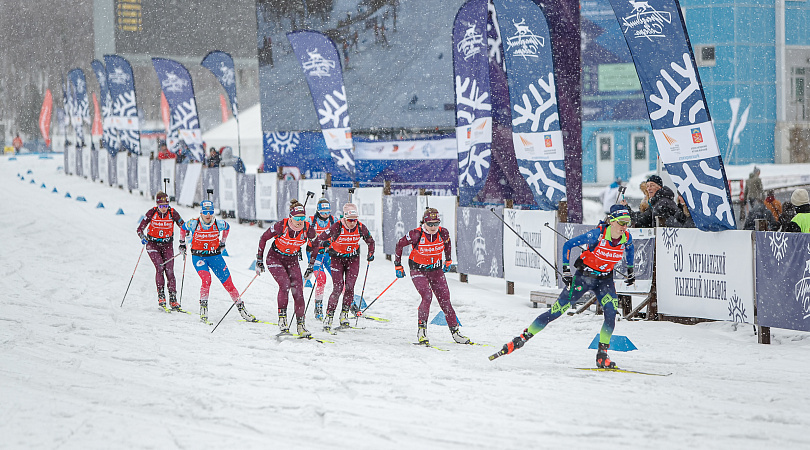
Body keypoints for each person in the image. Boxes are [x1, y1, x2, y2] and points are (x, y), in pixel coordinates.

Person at [495, 205, 635, 368]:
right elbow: (568, 245)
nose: (625, 227)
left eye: (628, 223)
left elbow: (630, 249)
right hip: (583, 278)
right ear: (612, 222)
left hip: (605, 280)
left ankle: (602, 355)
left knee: (611, 313)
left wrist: (630, 269)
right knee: (556, 312)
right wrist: (566, 270)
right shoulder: (597, 235)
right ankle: (521, 339)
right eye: (621, 223)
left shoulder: (627, 237)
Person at [395, 208, 469, 345]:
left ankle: (456, 333)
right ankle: (422, 330)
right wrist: (397, 265)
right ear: (424, 223)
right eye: (430, 224)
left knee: (445, 301)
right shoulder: (416, 234)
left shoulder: (443, 232)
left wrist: (448, 260)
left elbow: (447, 245)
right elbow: (399, 244)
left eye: (436, 223)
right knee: (427, 296)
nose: (433, 227)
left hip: (436, 270)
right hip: (418, 270)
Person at [184, 200, 256, 323]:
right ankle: (203, 309)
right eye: (205, 212)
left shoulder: (218, 223)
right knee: (206, 279)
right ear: (201, 213)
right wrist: (182, 243)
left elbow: (228, 227)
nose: (208, 215)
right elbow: (183, 228)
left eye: (210, 212)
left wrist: (223, 242)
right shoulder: (193, 223)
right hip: (199, 257)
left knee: (229, 284)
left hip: (215, 257)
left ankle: (242, 309)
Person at [307, 203, 375, 333]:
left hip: (353, 259)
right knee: (338, 288)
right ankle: (329, 316)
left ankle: (344, 315)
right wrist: (324, 243)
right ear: (344, 218)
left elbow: (370, 241)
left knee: (349, 287)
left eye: (355, 219)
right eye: (350, 220)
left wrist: (371, 253)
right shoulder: (337, 226)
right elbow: (319, 239)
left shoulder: (360, 227)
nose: (353, 223)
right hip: (337, 259)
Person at [255, 200, 318, 336]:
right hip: (275, 258)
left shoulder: (308, 228)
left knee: (298, 292)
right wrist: (259, 259)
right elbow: (263, 238)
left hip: (292, 260)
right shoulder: (281, 226)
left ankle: (301, 326)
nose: (300, 221)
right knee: (285, 285)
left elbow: (316, 245)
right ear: (290, 217)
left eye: (303, 218)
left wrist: (311, 266)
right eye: (297, 218)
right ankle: (282, 321)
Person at [136, 192, 186, 309]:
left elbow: (183, 226)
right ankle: (161, 295)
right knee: (160, 267)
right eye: (161, 206)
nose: (164, 208)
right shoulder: (152, 212)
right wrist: (143, 237)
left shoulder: (172, 213)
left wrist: (187, 234)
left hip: (167, 244)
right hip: (152, 244)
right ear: (157, 205)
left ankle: (173, 299)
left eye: (166, 205)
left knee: (170, 271)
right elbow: (140, 228)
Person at [308, 198, 336, 321]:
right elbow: (304, 235)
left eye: (328, 212)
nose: (326, 214)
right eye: (323, 212)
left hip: (329, 254)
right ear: (318, 211)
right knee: (321, 279)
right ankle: (318, 307)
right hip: (315, 254)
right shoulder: (311, 220)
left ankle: (349, 305)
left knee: (339, 280)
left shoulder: (334, 220)